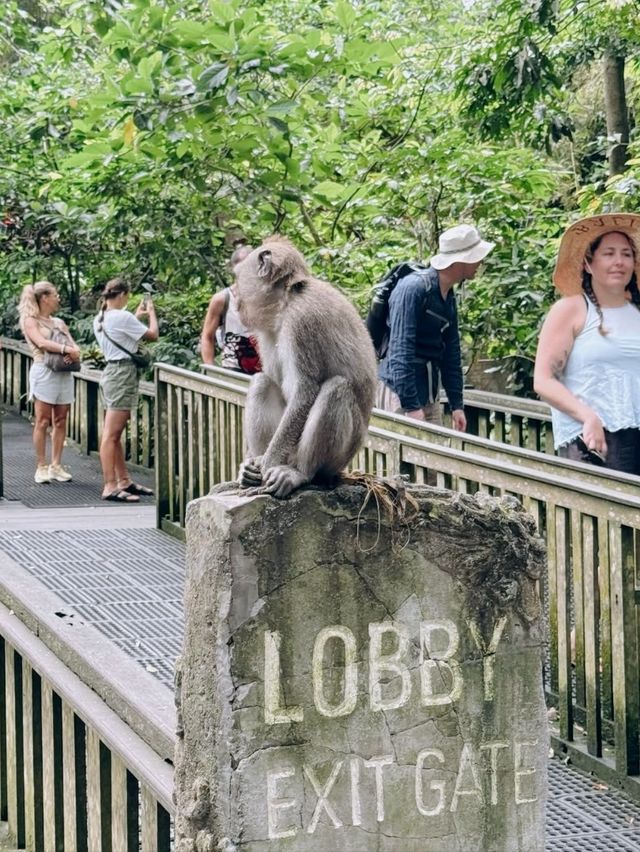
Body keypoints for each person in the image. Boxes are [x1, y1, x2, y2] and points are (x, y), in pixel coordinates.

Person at [534, 213, 640, 473]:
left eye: (626, 254)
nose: (619, 262)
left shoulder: (635, 311)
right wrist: (587, 416)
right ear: (588, 264)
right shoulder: (571, 309)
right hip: (592, 442)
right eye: (609, 253)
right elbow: (543, 380)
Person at [376, 224, 494, 429]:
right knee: (404, 457)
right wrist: (411, 406)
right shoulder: (413, 289)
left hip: (428, 394)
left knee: (429, 457)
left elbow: (451, 353)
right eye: (477, 256)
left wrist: (457, 404)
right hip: (400, 394)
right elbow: (400, 352)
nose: (481, 262)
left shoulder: (447, 296)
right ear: (461, 260)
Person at [93, 277, 159, 502]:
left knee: (115, 432)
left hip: (111, 373)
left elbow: (123, 332)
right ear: (122, 295)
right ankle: (110, 485)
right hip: (122, 375)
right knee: (111, 434)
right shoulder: (122, 316)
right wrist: (151, 313)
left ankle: (123, 480)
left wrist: (135, 317)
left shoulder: (100, 318)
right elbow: (153, 335)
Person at [17, 281, 81, 483]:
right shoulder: (31, 321)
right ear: (45, 297)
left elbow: (73, 345)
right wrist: (65, 350)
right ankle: (41, 466)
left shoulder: (59, 322)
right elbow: (42, 343)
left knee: (61, 419)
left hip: (63, 372)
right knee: (43, 420)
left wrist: (73, 352)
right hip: (44, 370)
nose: (58, 298)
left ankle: (56, 465)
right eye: (55, 294)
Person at [200, 245, 262, 373]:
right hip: (233, 368)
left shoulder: (266, 296)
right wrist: (211, 371)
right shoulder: (222, 299)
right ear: (234, 269)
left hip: (265, 369)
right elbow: (207, 336)